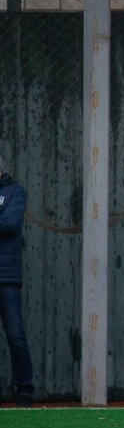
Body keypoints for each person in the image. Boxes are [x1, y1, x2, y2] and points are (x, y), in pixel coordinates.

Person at [0, 155, 34, 408]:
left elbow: (10, 223)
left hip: (7, 277)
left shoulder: (15, 192)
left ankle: (24, 390)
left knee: (15, 334)